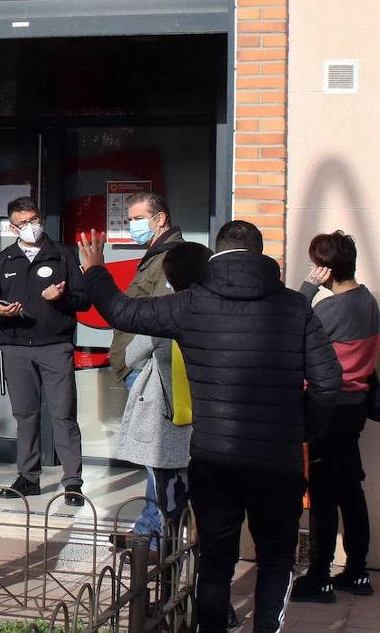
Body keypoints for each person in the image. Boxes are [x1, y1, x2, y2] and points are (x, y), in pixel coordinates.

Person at [78, 220, 341, 633]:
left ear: (218, 253)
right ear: (260, 253)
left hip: (215, 457)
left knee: (217, 557)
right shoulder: (294, 306)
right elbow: (328, 382)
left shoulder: (191, 303)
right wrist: (301, 428)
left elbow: (122, 312)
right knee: (276, 557)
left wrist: (95, 270)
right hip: (277, 459)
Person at [0, 196, 89, 505]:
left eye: (34, 219)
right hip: (16, 348)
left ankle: (73, 482)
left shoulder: (63, 255)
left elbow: (83, 300)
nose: (30, 226)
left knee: (63, 415)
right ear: (13, 227)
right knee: (25, 415)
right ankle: (28, 477)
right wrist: (2, 313)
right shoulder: (3, 260)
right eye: (23, 222)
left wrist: (60, 298)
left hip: (55, 346)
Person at [290, 231, 379, 603]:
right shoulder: (368, 302)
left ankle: (320, 576)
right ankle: (357, 571)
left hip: (325, 410)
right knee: (350, 488)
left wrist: (308, 287)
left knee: (323, 494)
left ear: (324, 268)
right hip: (355, 407)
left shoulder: (328, 310)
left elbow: (287, 325)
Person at [113, 241, 210, 555]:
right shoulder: (216, 313)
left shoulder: (163, 315)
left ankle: (162, 549)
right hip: (207, 420)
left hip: (166, 421)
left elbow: (133, 355)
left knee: (166, 491)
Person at [107, 192, 185, 548]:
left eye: (138, 218)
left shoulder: (171, 256)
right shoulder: (155, 254)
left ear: (160, 218)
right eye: (130, 219)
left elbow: (160, 322)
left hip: (153, 372)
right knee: (155, 458)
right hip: (144, 369)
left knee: (159, 460)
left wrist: (131, 360)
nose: (132, 226)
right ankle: (148, 529)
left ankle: (154, 539)